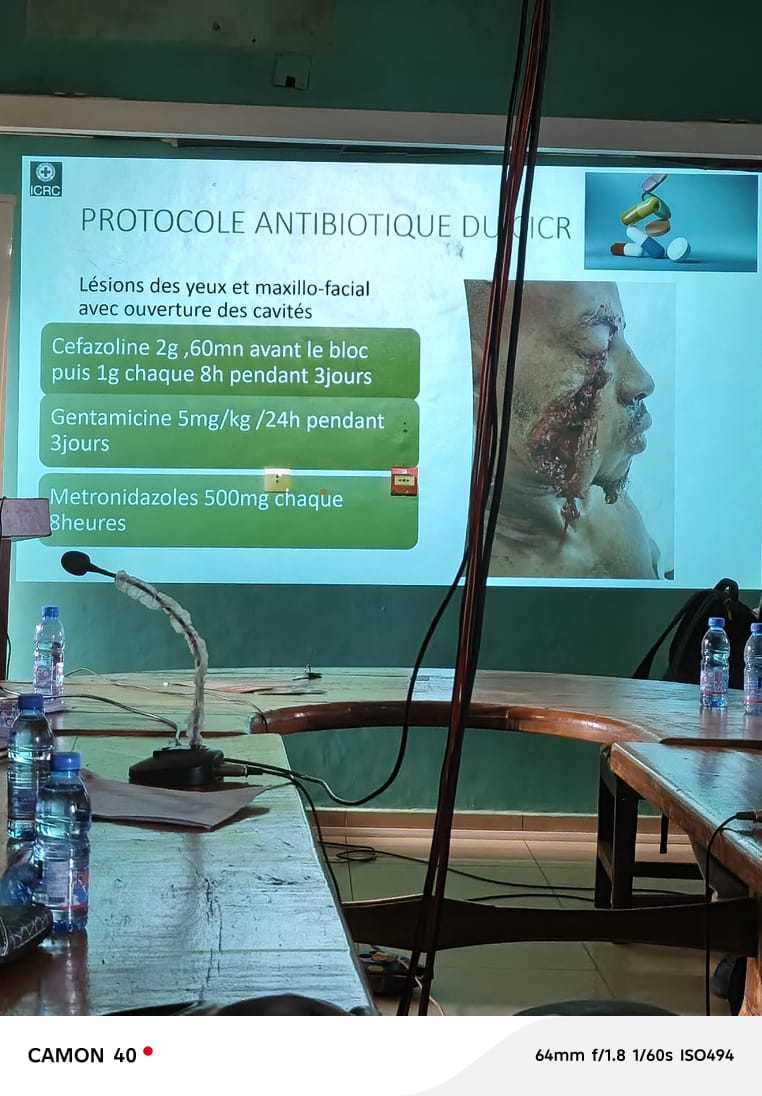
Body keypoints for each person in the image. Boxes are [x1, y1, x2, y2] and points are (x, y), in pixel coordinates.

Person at [465, 279, 664, 579]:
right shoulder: (470, 576)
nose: (643, 381)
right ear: (481, 376)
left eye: (622, 337)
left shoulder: (606, 503)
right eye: (597, 343)